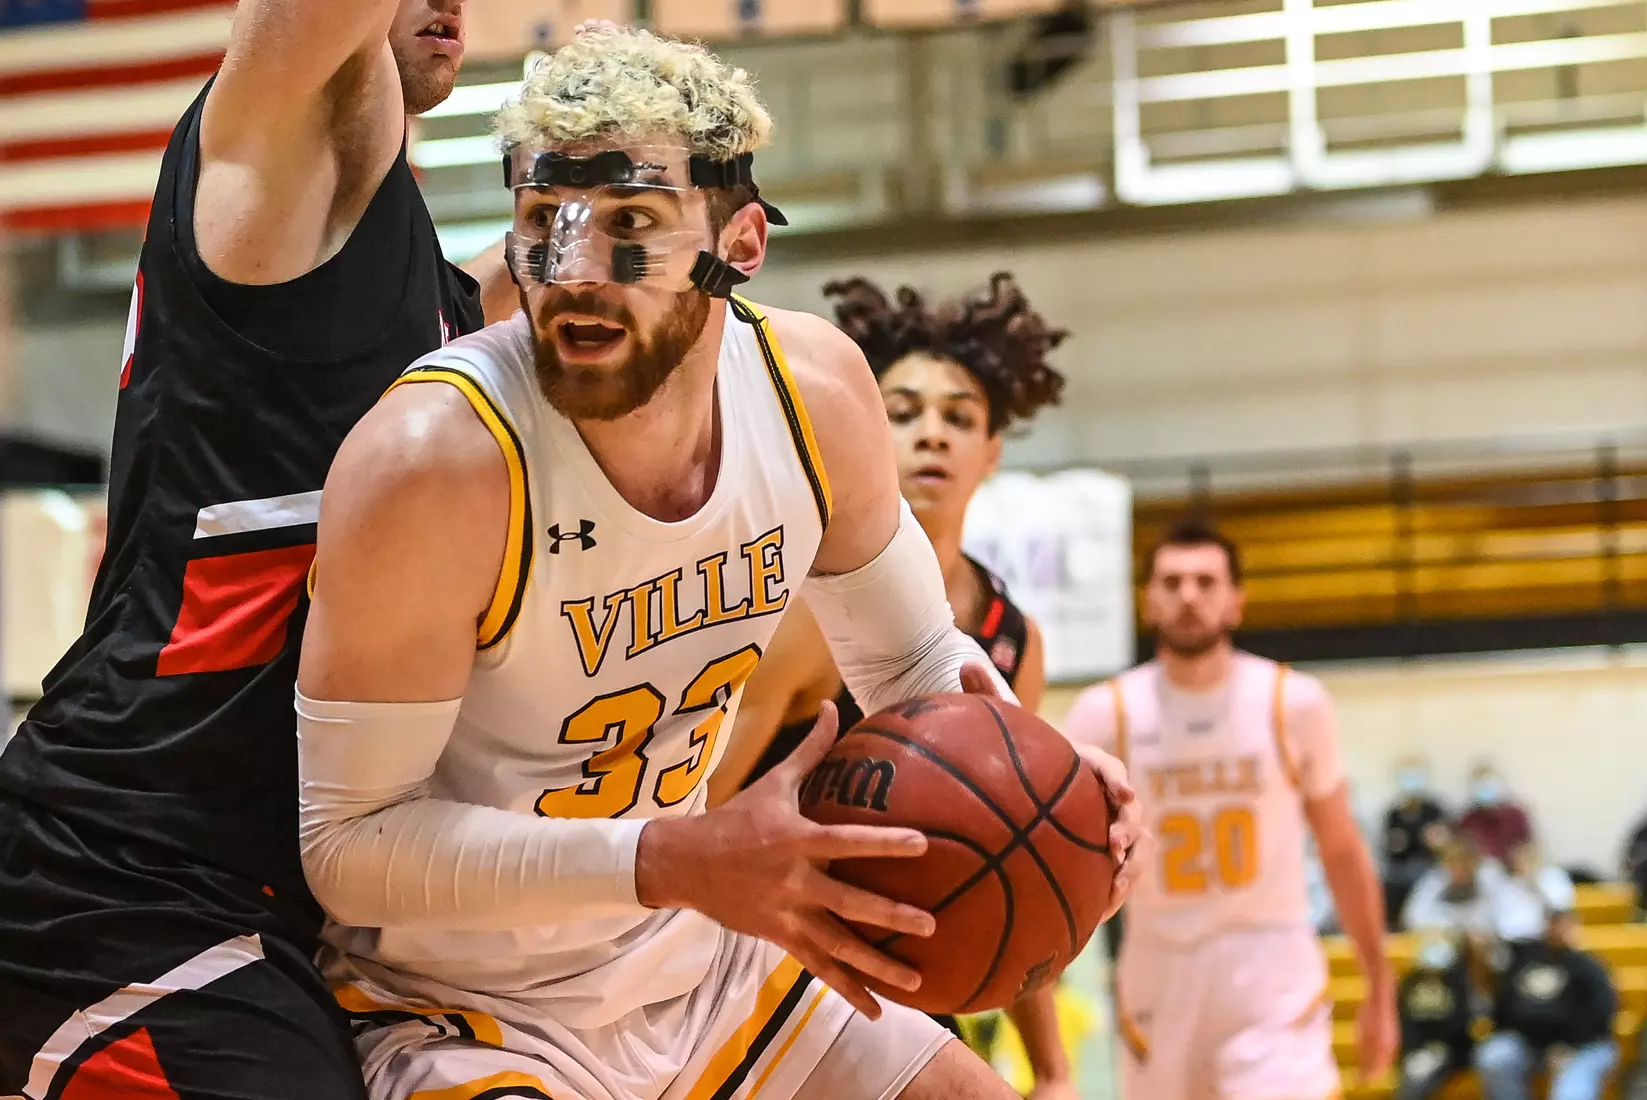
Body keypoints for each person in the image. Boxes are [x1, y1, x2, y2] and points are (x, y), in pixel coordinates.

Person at [294, 24, 1142, 1100]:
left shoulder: (814, 393)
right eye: (542, 221)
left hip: (706, 964)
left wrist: (1051, 789)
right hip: (462, 1002)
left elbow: (916, 672)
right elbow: (348, 847)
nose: (575, 270)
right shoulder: (432, 461)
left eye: (631, 223)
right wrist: (672, 858)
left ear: (739, 245)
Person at [0, 1, 514, 1094]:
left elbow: (558, 287)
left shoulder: (424, 293)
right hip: (122, 876)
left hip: (274, 893)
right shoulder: (290, 133)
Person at [705, 272, 1079, 1098]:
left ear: (991, 453)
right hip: (771, 964)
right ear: (866, 431)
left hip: (916, 968)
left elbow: (1024, 851)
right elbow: (695, 819)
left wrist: (1052, 1068)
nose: (930, 435)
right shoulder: (808, 606)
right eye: (903, 413)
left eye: (958, 418)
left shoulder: (1014, 638)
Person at [1062, 518, 1398, 1100]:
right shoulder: (1105, 713)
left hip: (1270, 966)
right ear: (1148, 600)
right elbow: (1060, 857)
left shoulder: (1293, 702)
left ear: (1236, 601)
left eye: (1206, 582)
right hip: (1159, 968)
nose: (1189, 596)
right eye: (1172, 582)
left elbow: (1341, 850)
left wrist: (1380, 985)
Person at [1475, 911, 1618, 1100]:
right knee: (1495, 1057)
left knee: (1569, 1095)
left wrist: (1569, 1046)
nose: (1557, 931)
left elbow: (1602, 1013)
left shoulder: (1589, 967)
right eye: (1553, 925)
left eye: (1563, 926)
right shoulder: (1525, 962)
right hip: (1529, 1043)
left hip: (1583, 1046)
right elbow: (1503, 1006)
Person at [1394, 933, 1481, 1100]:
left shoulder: (1460, 981)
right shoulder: (1410, 982)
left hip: (1452, 1052)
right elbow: (1403, 1024)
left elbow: (1464, 1025)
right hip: (1417, 1052)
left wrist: (1439, 1051)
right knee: (1415, 1073)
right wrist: (1415, 1052)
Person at [1384, 755, 1451, 926]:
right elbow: (1393, 849)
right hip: (1401, 869)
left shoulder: (1434, 811)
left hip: (1431, 865)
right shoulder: (1394, 814)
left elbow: (1442, 845)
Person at [1402, 834, 1508, 939]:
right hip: (1445, 938)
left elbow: (1505, 920)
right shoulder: (1436, 879)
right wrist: (1452, 931)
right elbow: (1412, 918)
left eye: (1465, 862)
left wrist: (1481, 931)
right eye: (1453, 863)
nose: (1460, 869)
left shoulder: (1490, 877)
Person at [1458, 760, 1533, 864]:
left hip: (1512, 869)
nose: (1485, 789)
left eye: (1489, 784)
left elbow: (1528, 848)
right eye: (1480, 785)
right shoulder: (1469, 819)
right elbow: (1461, 850)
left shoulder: (1516, 816)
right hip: (1479, 869)